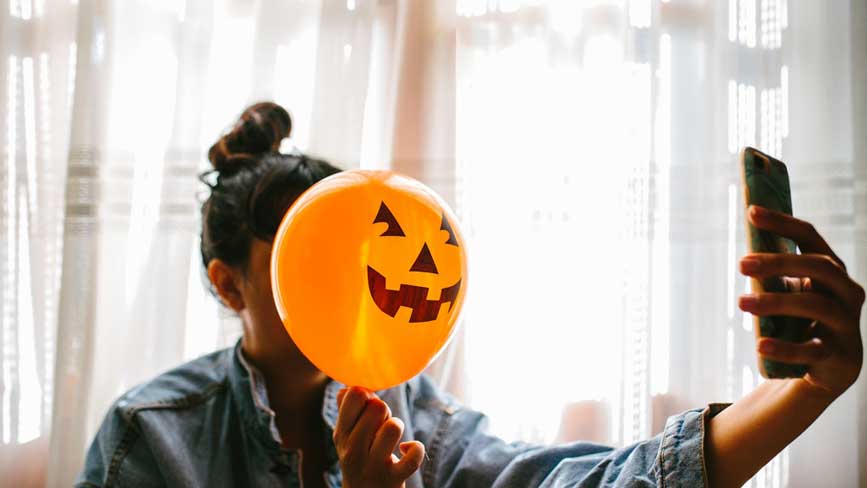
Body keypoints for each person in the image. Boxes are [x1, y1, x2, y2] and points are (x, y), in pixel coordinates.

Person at [77, 102, 864, 488]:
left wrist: (803, 391)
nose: (346, 271)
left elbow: (582, 483)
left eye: (353, 241)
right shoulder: (150, 439)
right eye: (297, 249)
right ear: (227, 283)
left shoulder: (416, 416)